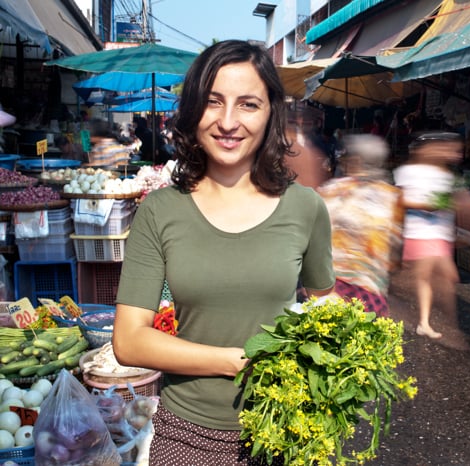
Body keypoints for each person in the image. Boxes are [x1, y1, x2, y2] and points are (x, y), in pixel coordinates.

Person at [112, 40, 336, 465]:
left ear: (271, 112)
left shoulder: (306, 208)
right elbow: (129, 340)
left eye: (248, 104)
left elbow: (324, 305)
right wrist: (234, 361)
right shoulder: (160, 211)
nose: (229, 122)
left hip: (287, 430)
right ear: (194, 110)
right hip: (187, 435)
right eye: (214, 102)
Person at [317, 134, 404, 318]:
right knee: (364, 342)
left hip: (329, 282)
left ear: (356, 160)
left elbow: (313, 234)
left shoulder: (332, 191)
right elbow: (395, 247)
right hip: (371, 287)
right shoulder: (392, 197)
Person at [393, 131, 463, 339]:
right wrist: (427, 206)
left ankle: (430, 321)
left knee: (440, 278)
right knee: (438, 276)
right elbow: (400, 200)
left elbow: (451, 203)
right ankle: (435, 323)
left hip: (441, 234)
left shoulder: (447, 175)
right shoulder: (407, 171)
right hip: (420, 232)